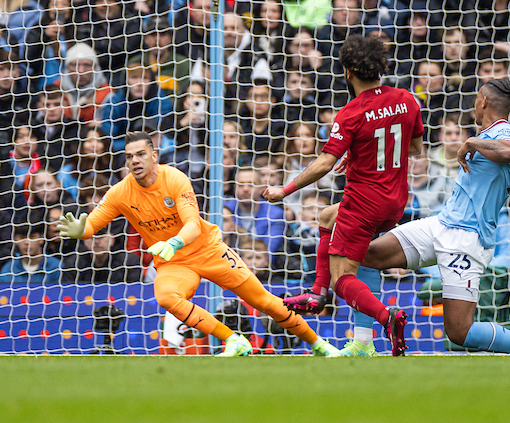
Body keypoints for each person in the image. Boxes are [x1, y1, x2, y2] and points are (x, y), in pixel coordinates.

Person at [57, 131, 339, 357]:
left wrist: (175, 241)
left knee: (265, 302)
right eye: (130, 156)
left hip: (208, 251)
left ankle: (318, 345)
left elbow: (192, 223)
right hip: (174, 262)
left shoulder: (175, 179)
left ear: (154, 156)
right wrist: (81, 230)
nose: (135, 161)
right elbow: (93, 224)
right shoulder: (120, 192)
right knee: (166, 297)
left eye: (141, 154)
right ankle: (233, 340)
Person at [358, 78, 510, 356]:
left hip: (467, 242)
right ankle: (363, 343)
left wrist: (471, 141)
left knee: (460, 332)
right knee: (367, 255)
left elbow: (508, 150)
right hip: (440, 225)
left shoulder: (505, 133)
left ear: (483, 100)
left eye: (475, 98)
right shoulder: (505, 159)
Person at [263, 34, 423, 356]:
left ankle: (386, 317)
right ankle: (316, 293)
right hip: (395, 200)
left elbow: (324, 162)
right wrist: (360, 153)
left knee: (343, 280)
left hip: (364, 203)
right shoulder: (407, 99)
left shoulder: (351, 112)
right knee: (325, 215)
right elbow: (415, 148)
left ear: (348, 71)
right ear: (381, 67)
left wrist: (285, 189)